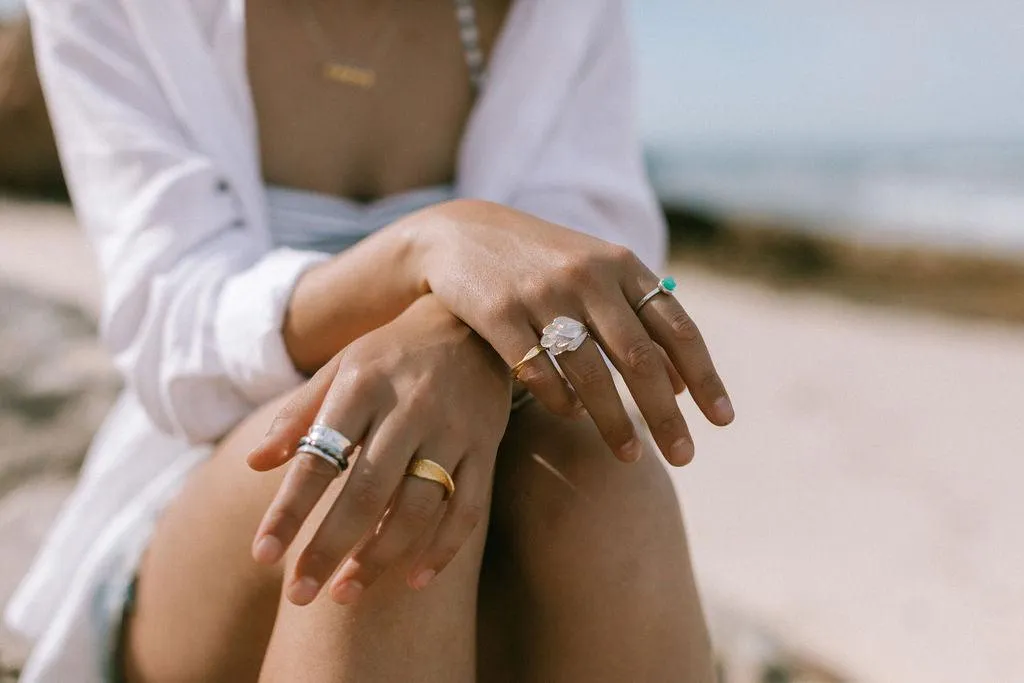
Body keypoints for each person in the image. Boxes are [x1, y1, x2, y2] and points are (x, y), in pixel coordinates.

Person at [5, 1, 734, 681]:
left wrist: (447, 331)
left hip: (510, 449)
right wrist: (422, 251)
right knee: (374, 476)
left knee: (601, 475)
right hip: (210, 483)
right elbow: (173, 325)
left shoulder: (554, 14)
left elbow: (585, 262)